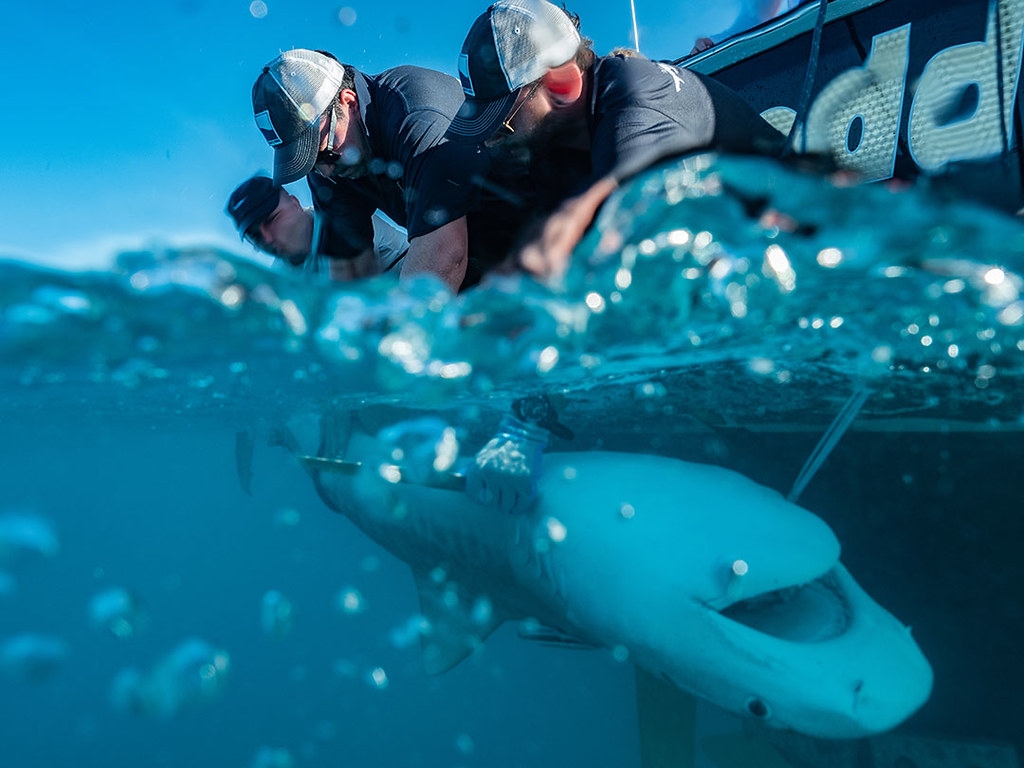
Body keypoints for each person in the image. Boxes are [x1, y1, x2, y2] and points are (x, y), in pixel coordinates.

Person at [446, 0, 787, 280]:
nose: (493, 142)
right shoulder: (552, 152)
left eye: (503, 123)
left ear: (561, 86)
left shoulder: (638, 89)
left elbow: (626, 208)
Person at [250, 49, 532, 292]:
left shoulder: (415, 114)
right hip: (475, 259)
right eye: (309, 162)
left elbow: (444, 255)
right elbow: (348, 274)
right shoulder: (330, 164)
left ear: (349, 102)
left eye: (323, 151)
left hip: (537, 232)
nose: (323, 171)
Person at [225, 173, 404, 280]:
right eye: (256, 236)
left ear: (295, 203)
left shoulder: (342, 216)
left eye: (272, 219)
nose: (268, 239)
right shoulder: (280, 278)